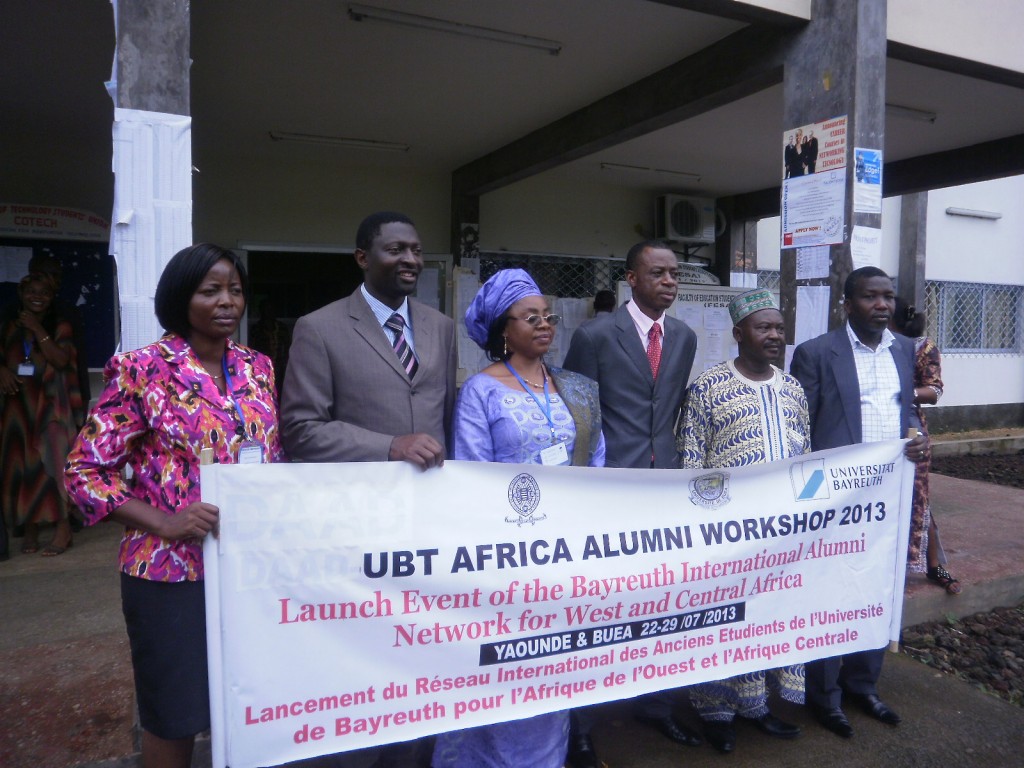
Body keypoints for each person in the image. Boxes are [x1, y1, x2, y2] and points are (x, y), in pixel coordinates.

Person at [64, 243, 285, 768]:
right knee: (175, 712)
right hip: (168, 573)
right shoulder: (143, 369)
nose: (227, 301)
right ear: (181, 298)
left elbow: (274, 458)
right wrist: (165, 520)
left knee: (248, 702)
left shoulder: (258, 368)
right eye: (211, 291)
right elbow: (83, 472)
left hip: (247, 570)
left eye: (234, 290)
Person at [280, 211, 456, 767]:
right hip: (355, 528)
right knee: (367, 659)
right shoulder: (320, 327)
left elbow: (445, 415)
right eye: (395, 249)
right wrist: (389, 446)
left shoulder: (440, 326)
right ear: (362, 258)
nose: (409, 260)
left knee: (423, 655)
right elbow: (301, 430)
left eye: (416, 250)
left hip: (426, 525)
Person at [432, 269, 604, 767]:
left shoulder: (575, 388)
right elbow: (472, 474)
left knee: (553, 673)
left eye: (548, 316)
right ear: (502, 331)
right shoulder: (480, 392)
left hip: (566, 555)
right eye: (530, 318)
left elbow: (596, 463)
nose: (544, 325)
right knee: (503, 673)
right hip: (507, 561)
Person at [562, 240, 699, 765]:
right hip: (607, 489)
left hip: (663, 485)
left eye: (674, 273)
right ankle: (581, 721)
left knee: (662, 600)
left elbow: (669, 408)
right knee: (597, 604)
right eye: (658, 273)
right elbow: (579, 414)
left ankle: (656, 704)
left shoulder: (683, 338)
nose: (669, 281)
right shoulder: (595, 335)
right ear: (631, 279)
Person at [791, 266, 929, 739]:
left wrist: (916, 440)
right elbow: (800, 430)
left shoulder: (906, 350)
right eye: (872, 297)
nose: (883, 305)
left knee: (878, 588)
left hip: (888, 496)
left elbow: (905, 410)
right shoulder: (815, 354)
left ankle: (862, 685)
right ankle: (824, 696)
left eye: (889, 296)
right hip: (835, 500)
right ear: (847, 304)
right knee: (831, 591)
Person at [677, 288, 806, 753]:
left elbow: (803, 458)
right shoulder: (709, 387)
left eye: (779, 328)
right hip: (725, 534)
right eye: (764, 327)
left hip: (779, 535)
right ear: (738, 334)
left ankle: (757, 707)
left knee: (766, 619)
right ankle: (716, 713)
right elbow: (692, 462)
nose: (775, 335)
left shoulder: (792, 389)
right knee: (722, 621)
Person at [1, 272, 84, 557]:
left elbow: (61, 360)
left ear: (52, 298)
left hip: (51, 409)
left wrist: (37, 328)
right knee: (23, 467)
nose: (37, 296)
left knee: (56, 467)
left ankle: (64, 528)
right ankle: (32, 526)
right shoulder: (8, 325)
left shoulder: (60, 326)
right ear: (22, 294)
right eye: (31, 291)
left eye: (44, 292)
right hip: (18, 408)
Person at [891, 297, 961, 594]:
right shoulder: (870, 346)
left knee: (917, 498)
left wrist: (897, 394)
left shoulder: (921, 346)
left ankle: (934, 567)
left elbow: (934, 391)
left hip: (908, 426)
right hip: (871, 427)